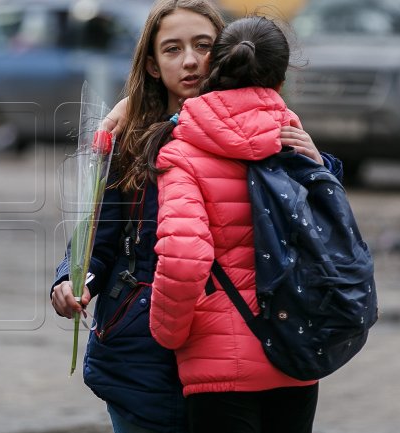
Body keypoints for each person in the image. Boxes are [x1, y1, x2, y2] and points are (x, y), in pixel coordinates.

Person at [50, 1, 342, 432]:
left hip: (235, 357)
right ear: (152, 65)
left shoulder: (263, 130)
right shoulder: (130, 142)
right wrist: (71, 280)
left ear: (224, 52)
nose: (189, 60)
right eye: (172, 49)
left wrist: (321, 168)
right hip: (144, 357)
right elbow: (99, 238)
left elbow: (316, 227)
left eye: (202, 45)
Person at [151, 15, 324, 433]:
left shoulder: (181, 151)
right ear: (280, 81)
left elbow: (183, 257)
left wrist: (168, 333)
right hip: (296, 349)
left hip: (219, 363)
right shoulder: (297, 144)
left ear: (216, 69)